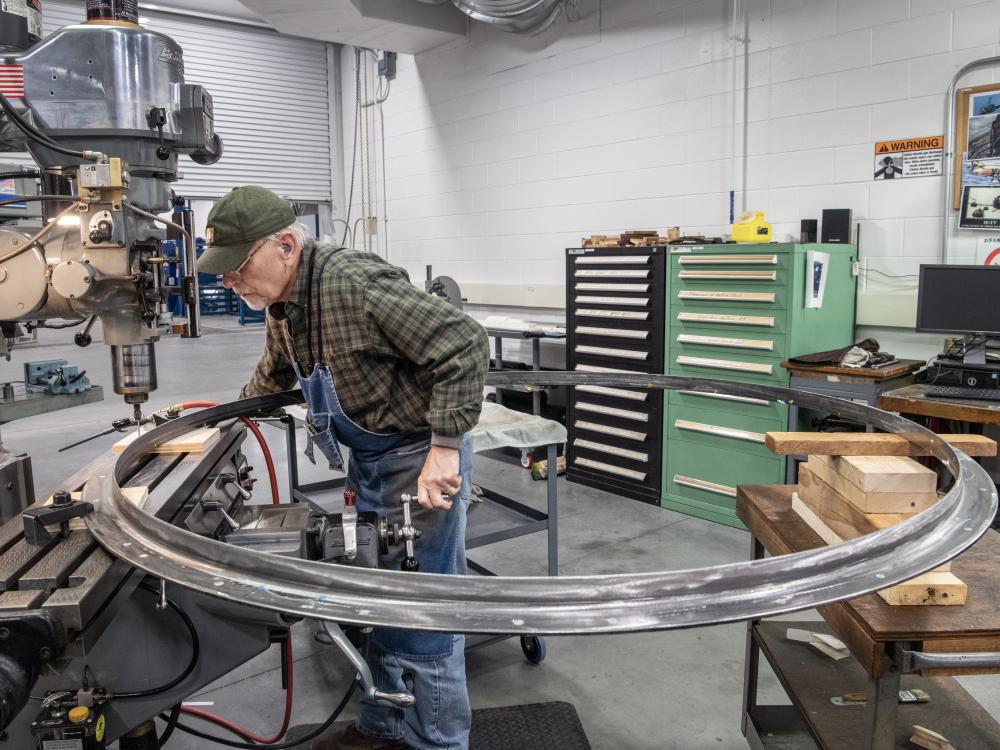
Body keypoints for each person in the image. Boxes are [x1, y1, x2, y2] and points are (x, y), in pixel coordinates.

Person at [196, 186, 490, 750]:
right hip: (371, 462)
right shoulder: (283, 303)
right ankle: (381, 726)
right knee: (371, 595)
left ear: (285, 245)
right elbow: (275, 371)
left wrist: (446, 448)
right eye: (223, 272)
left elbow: (464, 341)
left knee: (421, 615)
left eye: (237, 268)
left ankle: (442, 742)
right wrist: (224, 426)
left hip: (417, 465)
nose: (229, 282)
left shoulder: (351, 285)